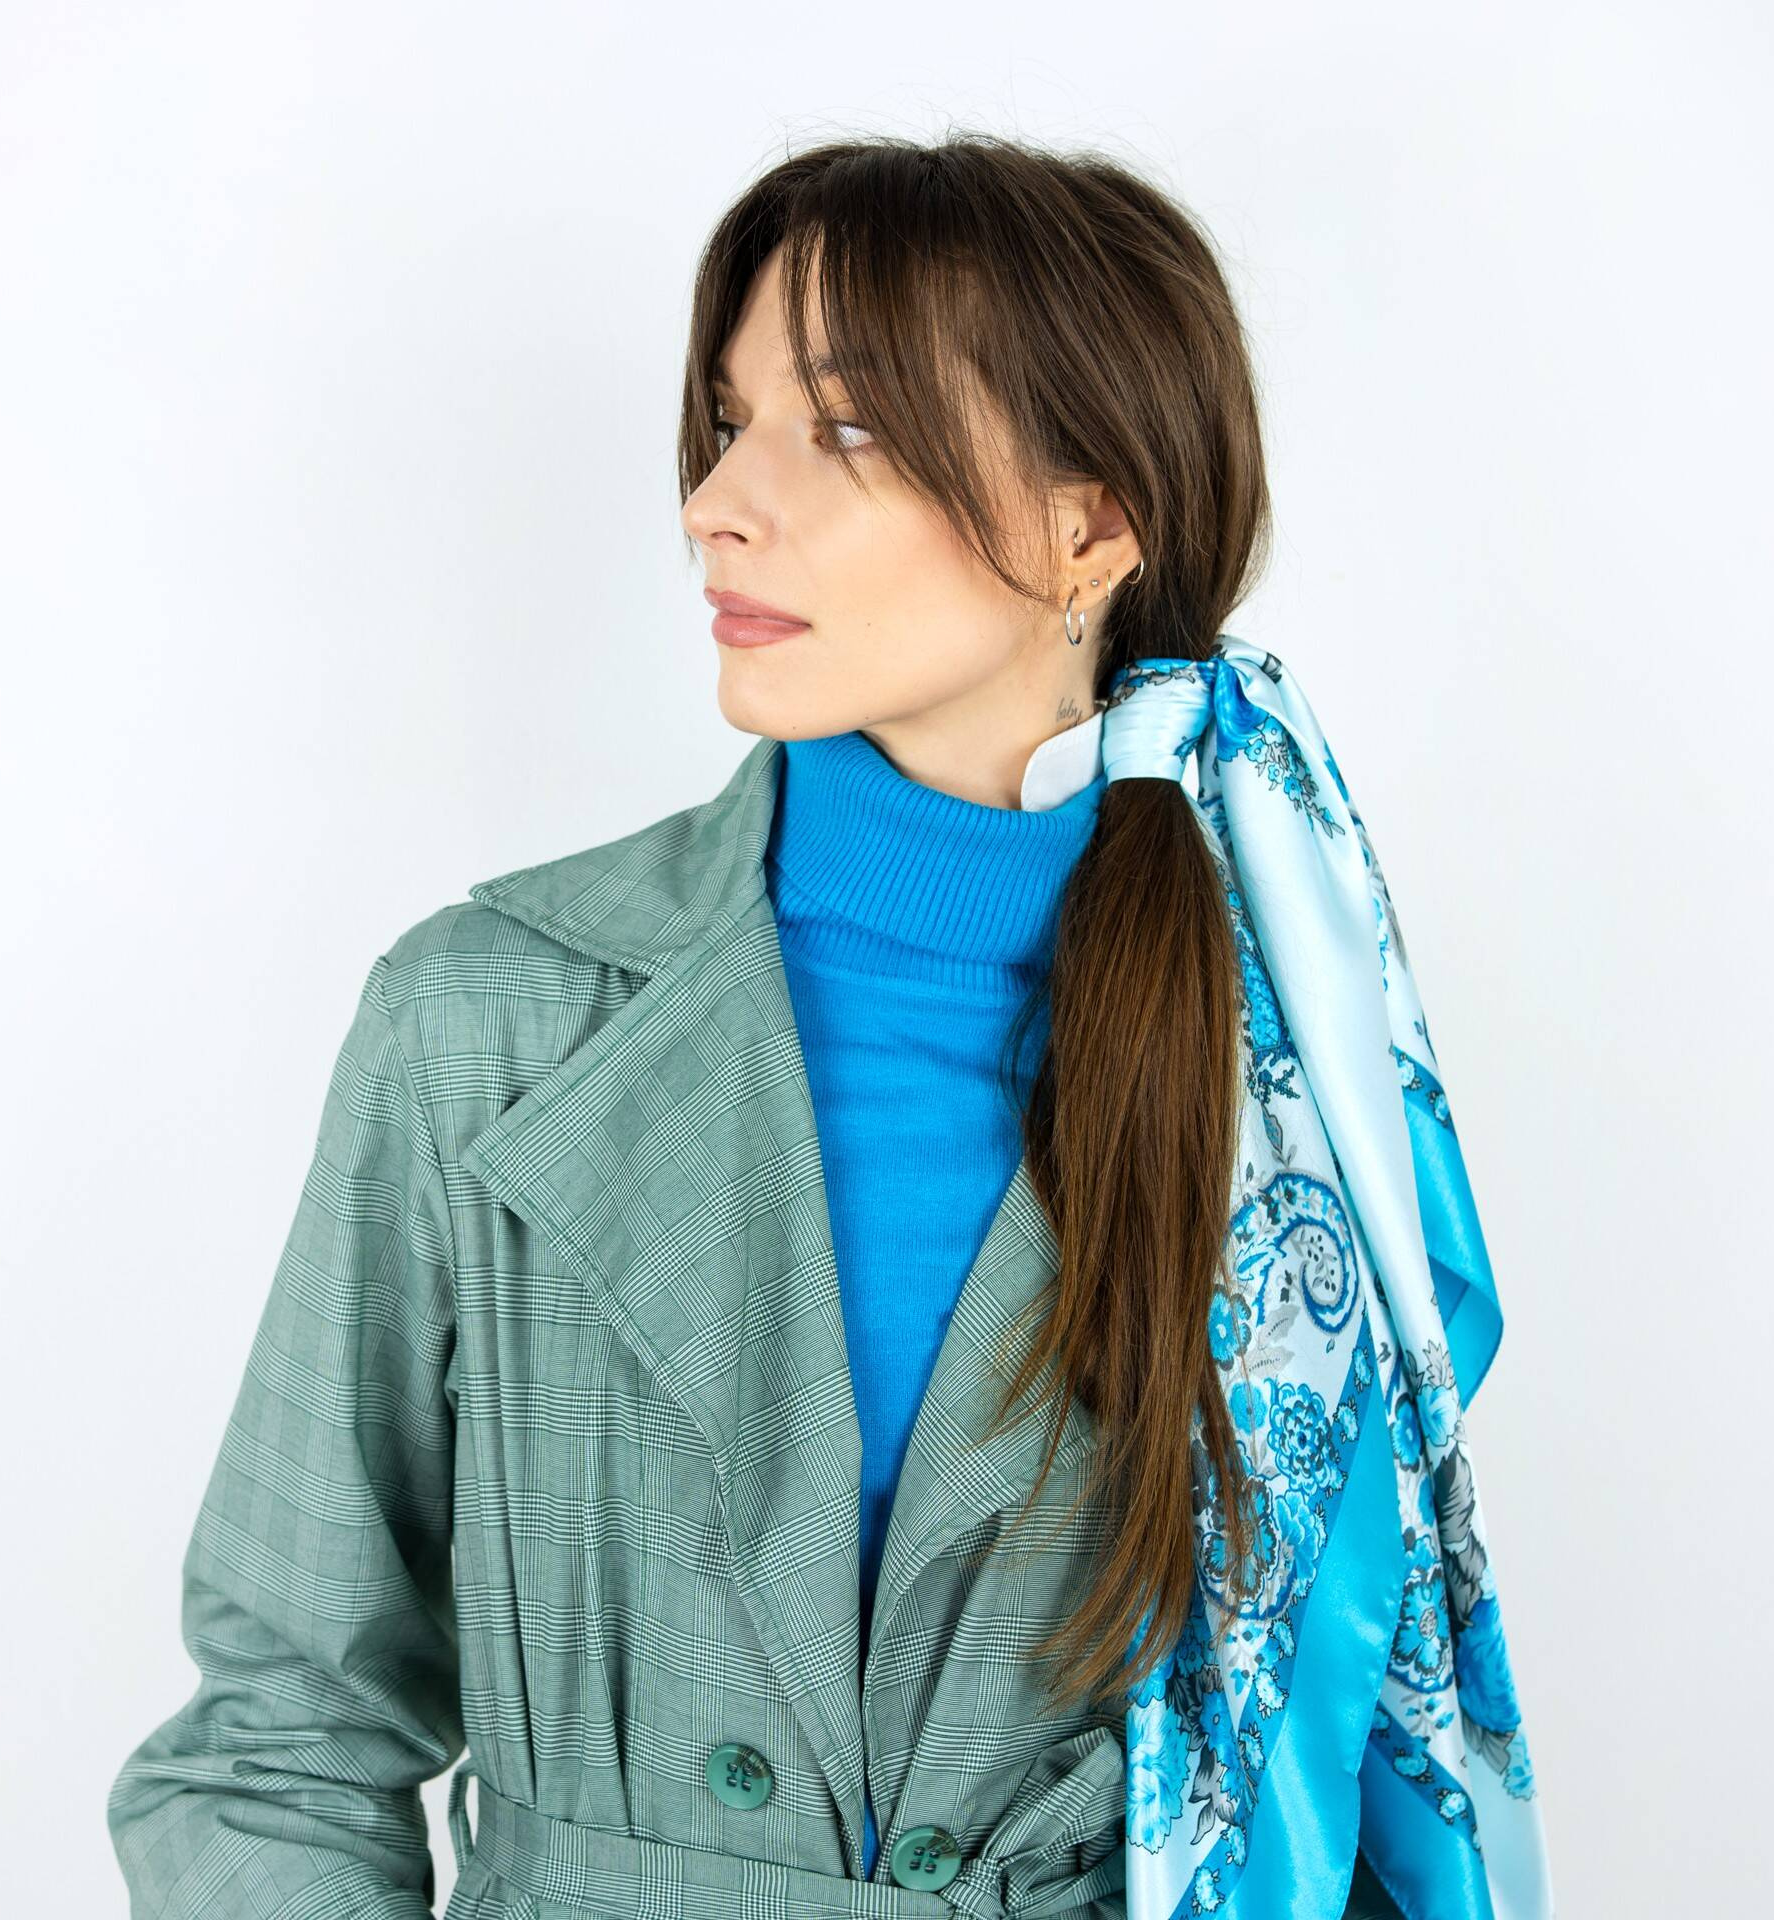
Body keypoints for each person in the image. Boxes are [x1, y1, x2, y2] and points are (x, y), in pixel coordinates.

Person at [108, 133, 1551, 1919]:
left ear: (1091, 528)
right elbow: (278, 1744)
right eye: (728, 423)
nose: (718, 502)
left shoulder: (1291, 1103)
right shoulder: (485, 1023)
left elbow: (1350, 1795)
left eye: (847, 428)